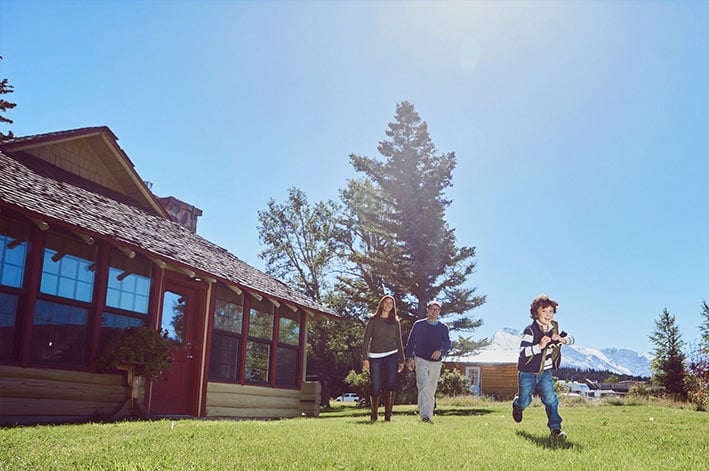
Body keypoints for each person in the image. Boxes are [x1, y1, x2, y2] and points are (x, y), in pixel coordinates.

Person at [512, 294, 575, 439]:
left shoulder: (555, 328)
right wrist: (539, 346)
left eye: (551, 311)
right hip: (527, 373)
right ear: (535, 313)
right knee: (525, 401)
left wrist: (562, 339)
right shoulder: (530, 330)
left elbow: (572, 339)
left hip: (545, 372)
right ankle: (517, 405)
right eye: (544, 311)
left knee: (551, 399)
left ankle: (556, 429)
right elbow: (523, 353)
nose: (548, 315)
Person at [405, 299, 451, 423]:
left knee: (431, 389)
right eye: (432, 309)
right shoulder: (419, 325)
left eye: (437, 310)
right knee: (423, 386)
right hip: (420, 359)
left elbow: (447, 343)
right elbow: (410, 342)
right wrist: (409, 358)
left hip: (436, 362)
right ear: (428, 310)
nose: (435, 312)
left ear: (439, 312)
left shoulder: (443, 327)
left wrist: (440, 350)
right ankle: (424, 415)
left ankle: (428, 415)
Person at [362, 295, 405, 422]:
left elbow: (399, 341)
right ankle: (374, 414)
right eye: (386, 302)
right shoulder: (373, 320)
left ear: (393, 306)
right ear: (381, 304)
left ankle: (388, 416)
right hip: (375, 356)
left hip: (392, 355)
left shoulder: (395, 322)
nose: (388, 305)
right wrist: (365, 358)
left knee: (391, 384)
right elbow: (366, 340)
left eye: (391, 303)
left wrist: (401, 360)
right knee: (376, 386)